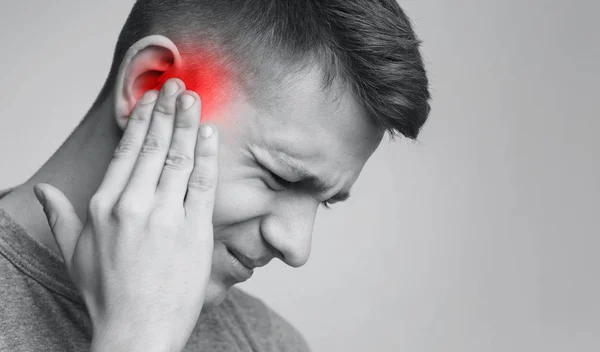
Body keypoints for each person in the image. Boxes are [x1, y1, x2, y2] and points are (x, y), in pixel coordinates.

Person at [0, 0, 431, 351]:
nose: (298, 247)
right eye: (279, 176)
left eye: (324, 201)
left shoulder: (269, 345)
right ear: (152, 84)